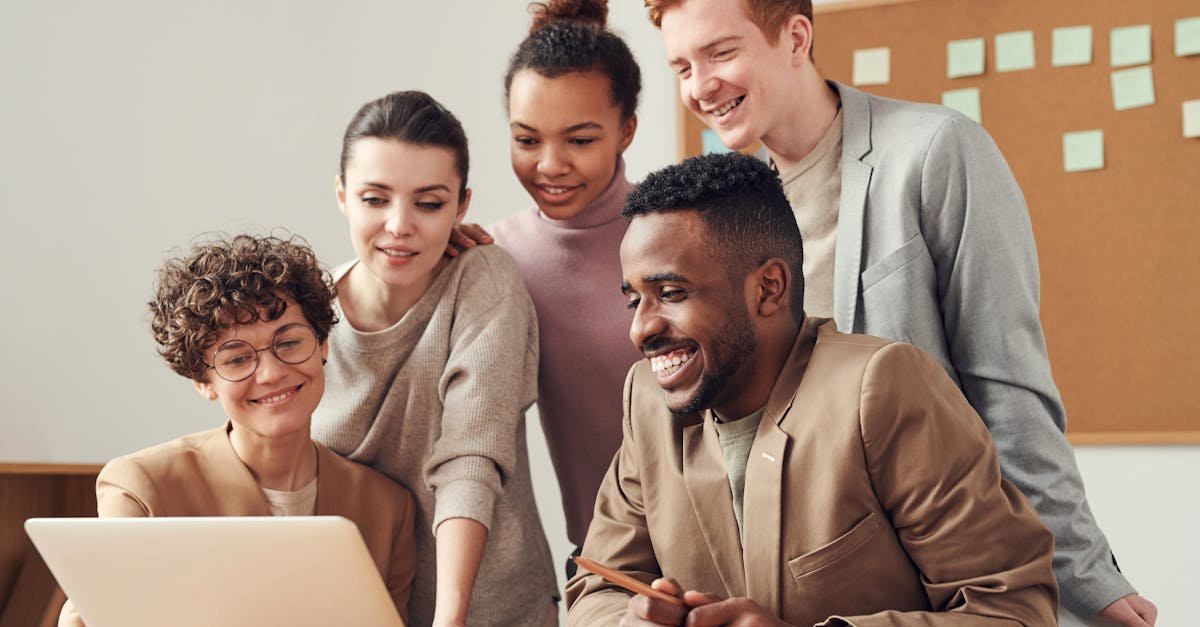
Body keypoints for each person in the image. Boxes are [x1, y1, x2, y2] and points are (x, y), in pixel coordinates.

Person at [643, 0, 1155, 623]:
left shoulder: (935, 151)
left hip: (943, 578)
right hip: (807, 589)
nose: (700, 86)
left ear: (797, 37)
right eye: (681, 67)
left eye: (721, 52)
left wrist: (1086, 577)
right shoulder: (735, 215)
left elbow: (1008, 391)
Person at [566, 153, 1058, 626]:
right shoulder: (649, 401)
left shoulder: (882, 388)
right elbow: (598, 587)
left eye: (671, 294)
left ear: (769, 288)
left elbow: (1013, 610)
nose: (640, 330)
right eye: (635, 300)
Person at [59, 234, 417, 627]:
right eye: (237, 359)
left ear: (323, 345)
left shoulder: (387, 508)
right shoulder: (142, 487)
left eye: (290, 342)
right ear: (202, 381)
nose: (272, 373)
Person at [311, 90, 558, 626]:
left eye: (429, 204)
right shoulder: (308, 311)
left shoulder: (482, 278)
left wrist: (450, 621)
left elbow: (470, 455)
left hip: (488, 609)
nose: (400, 225)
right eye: (375, 199)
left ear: (462, 204)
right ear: (342, 195)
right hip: (358, 608)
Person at [484, 0, 644, 577]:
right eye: (527, 140)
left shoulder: (681, 229)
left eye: (579, 141)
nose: (549, 166)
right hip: (604, 565)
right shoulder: (493, 257)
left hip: (731, 548)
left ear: (626, 128)